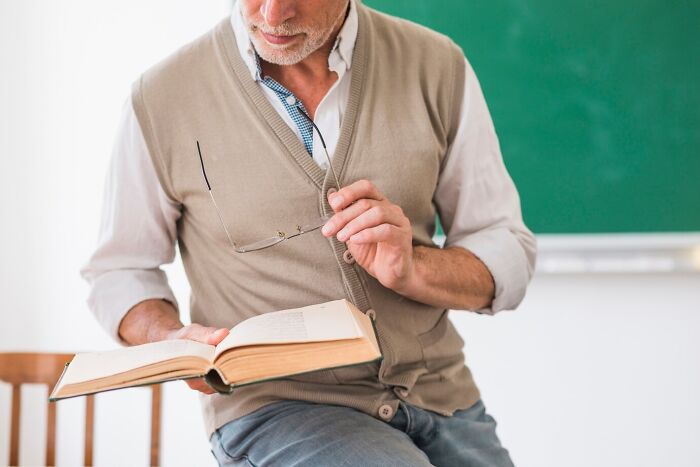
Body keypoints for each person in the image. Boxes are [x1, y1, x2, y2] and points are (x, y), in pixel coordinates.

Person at [81, 0, 536, 465]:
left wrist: (414, 268)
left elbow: (505, 249)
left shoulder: (439, 66)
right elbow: (119, 272)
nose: (273, 15)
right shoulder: (162, 98)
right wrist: (172, 338)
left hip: (444, 398)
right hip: (277, 411)